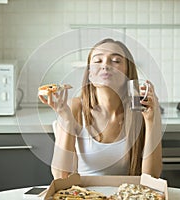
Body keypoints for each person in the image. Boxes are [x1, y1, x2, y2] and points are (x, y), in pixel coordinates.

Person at [39, 38, 162, 179]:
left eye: (116, 61)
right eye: (98, 61)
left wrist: (152, 121)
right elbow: (61, 177)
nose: (105, 65)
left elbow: (152, 178)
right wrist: (67, 121)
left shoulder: (141, 111)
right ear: (90, 74)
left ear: (128, 73)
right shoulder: (75, 107)